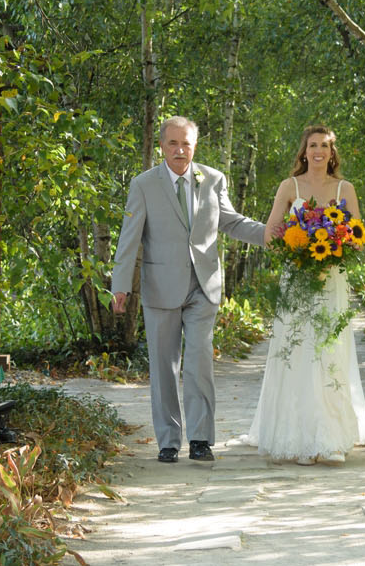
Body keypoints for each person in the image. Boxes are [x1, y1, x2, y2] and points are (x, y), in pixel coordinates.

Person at [110, 114, 271, 461]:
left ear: (194, 146)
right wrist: (120, 285)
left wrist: (271, 234)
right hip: (161, 287)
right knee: (164, 367)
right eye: (173, 143)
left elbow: (231, 221)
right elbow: (129, 238)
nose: (180, 150)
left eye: (186, 144)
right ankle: (168, 441)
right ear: (162, 146)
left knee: (199, 363)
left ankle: (200, 439)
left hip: (204, 286)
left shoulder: (212, 179)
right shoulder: (143, 185)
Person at [253, 127, 365, 464]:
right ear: (304, 151)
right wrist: (294, 248)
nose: (319, 151)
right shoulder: (289, 187)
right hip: (298, 280)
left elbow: (357, 234)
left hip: (331, 279)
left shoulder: (344, 189)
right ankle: (303, 440)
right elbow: (270, 233)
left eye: (325, 146)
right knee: (299, 351)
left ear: (332, 153)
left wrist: (338, 244)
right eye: (313, 145)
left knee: (329, 350)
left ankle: (332, 439)